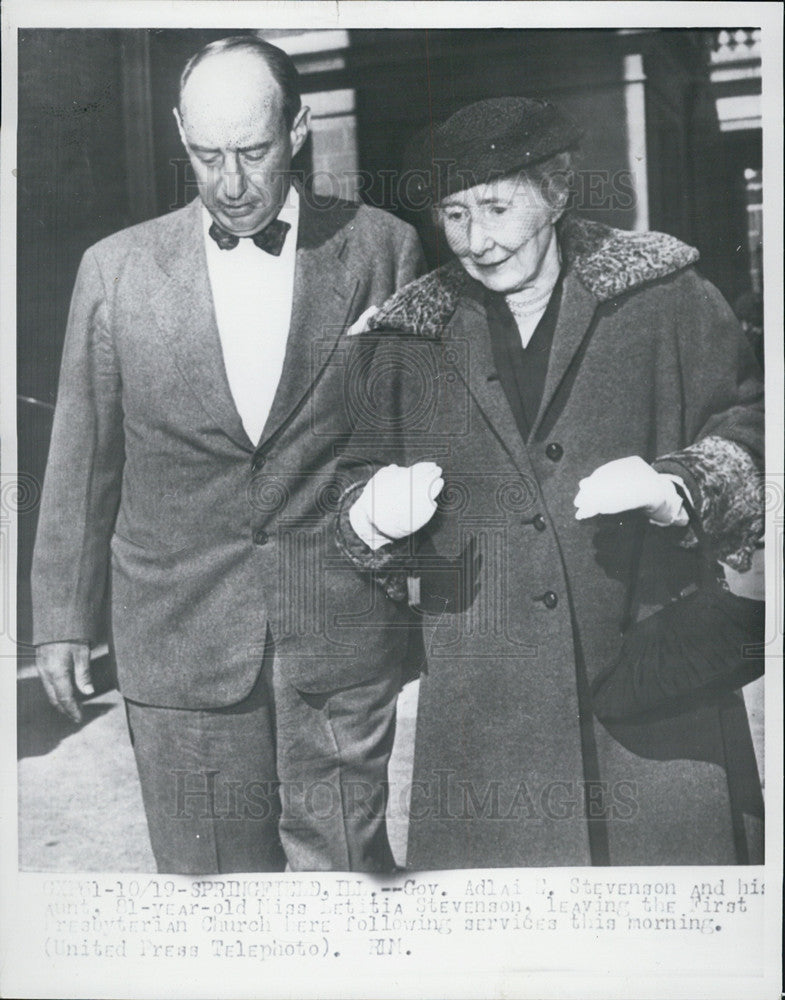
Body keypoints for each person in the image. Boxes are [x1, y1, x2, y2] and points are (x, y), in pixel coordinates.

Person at [335, 97, 765, 868]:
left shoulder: (664, 297)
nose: (477, 241)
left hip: (654, 699)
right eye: (454, 216)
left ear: (559, 190)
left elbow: (751, 429)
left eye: (496, 208)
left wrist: (679, 486)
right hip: (487, 724)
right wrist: (368, 519)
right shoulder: (404, 342)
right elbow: (350, 487)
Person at [31, 34, 425, 874]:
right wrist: (61, 617)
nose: (233, 184)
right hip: (179, 639)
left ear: (298, 128)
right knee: (211, 909)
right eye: (207, 157)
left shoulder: (382, 249)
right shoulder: (114, 272)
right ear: (179, 132)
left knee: (345, 898)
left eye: (252, 151)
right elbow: (83, 453)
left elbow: (413, 436)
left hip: (338, 635)